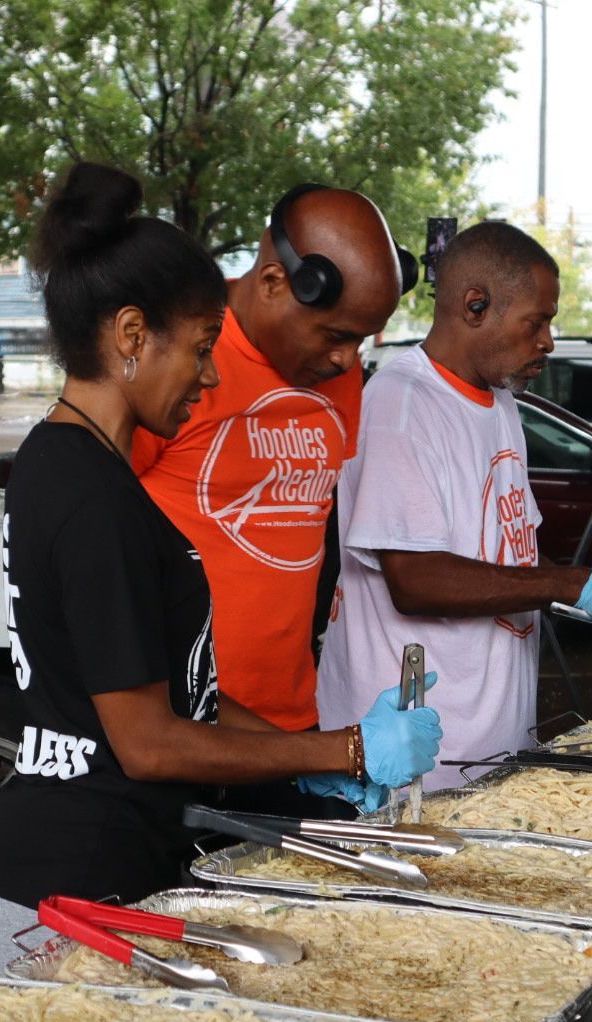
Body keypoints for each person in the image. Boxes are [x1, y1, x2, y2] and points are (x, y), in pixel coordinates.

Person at [0, 164, 442, 976]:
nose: (212, 375)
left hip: (108, 860)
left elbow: (190, 694)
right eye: (197, 350)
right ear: (129, 335)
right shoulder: (91, 496)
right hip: (70, 881)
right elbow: (149, 744)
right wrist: (343, 753)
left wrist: (324, 753)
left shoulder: (73, 466)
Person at [317, 222, 592, 788]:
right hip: (415, 765)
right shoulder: (401, 403)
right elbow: (415, 579)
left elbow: (511, 561)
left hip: (491, 748)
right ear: (475, 305)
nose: (548, 342)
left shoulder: (500, 403)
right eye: (537, 322)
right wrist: (578, 585)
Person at [130, 184, 409, 760]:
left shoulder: (337, 376)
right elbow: (102, 530)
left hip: (294, 720)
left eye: (360, 339)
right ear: (274, 282)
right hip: (182, 721)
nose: (347, 359)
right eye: (336, 334)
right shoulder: (180, 358)